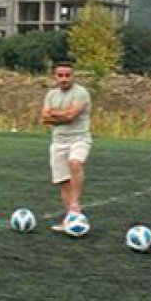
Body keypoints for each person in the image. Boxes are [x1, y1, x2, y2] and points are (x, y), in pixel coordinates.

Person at [40, 60, 92, 232]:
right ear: (55, 76)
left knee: (75, 163)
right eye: (60, 75)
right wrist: (61, 115)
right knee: (63, 182)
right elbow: (44, 118)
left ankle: (75, 203)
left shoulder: (81, 93)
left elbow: (71, 116)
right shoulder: (51, 95)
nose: (64, 79)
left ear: (73, 76)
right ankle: (70, 218)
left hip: (79, 138)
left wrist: (55, 114)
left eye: (67, 75)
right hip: (58, 141)